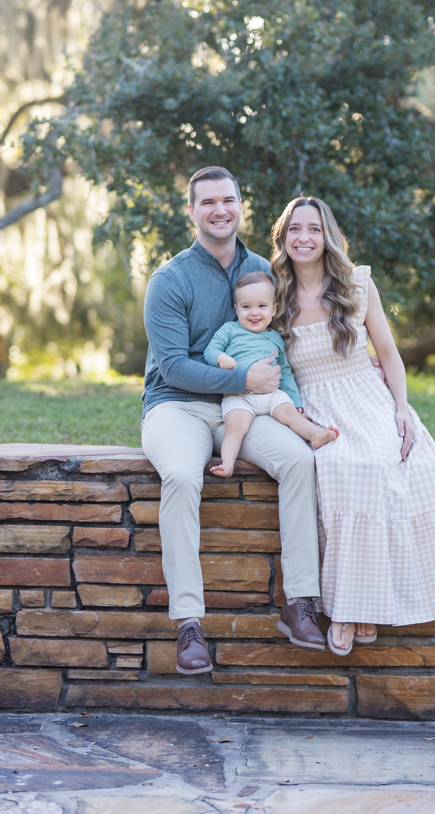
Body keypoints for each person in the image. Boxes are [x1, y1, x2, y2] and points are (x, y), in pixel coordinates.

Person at [141, 167, 325, 677]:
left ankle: (301, 603)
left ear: (241, 205)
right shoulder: (170, 279)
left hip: (246, 408)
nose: (220, 210)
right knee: (180, 474)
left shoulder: (266, 268)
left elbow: (295, 333)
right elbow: (174, 364)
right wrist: (244, 376)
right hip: (176, 405)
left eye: (229, 200)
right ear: (192, 211)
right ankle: (189, 623)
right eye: (208, 202)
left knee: (297, 460)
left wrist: (362, 357)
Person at [271, 195, 435, 655]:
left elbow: (388, 353)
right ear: (283, 238)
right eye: (295, 230)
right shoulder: (274, 290)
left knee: (397, 466)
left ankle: (357, 608)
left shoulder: (357, 284)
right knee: (343, 471)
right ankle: (351, 608)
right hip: (315, 406)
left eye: (314, 229)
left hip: (368, 397)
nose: (304, 238)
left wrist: (401, 408)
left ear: (328, 236)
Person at [204, 270, 338, 478]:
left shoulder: (276, 338)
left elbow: (284, 372)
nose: (254, 313)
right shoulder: (230, 330)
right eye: (246, 307)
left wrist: (295, 400)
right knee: (235, 426)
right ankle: (227, 464)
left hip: (271, 395)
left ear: (274, 309)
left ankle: (315, 435)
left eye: (262, 306)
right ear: (236, 309)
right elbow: (210, 351)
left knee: (290, 414)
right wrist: (221, 358)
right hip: (239, 396)